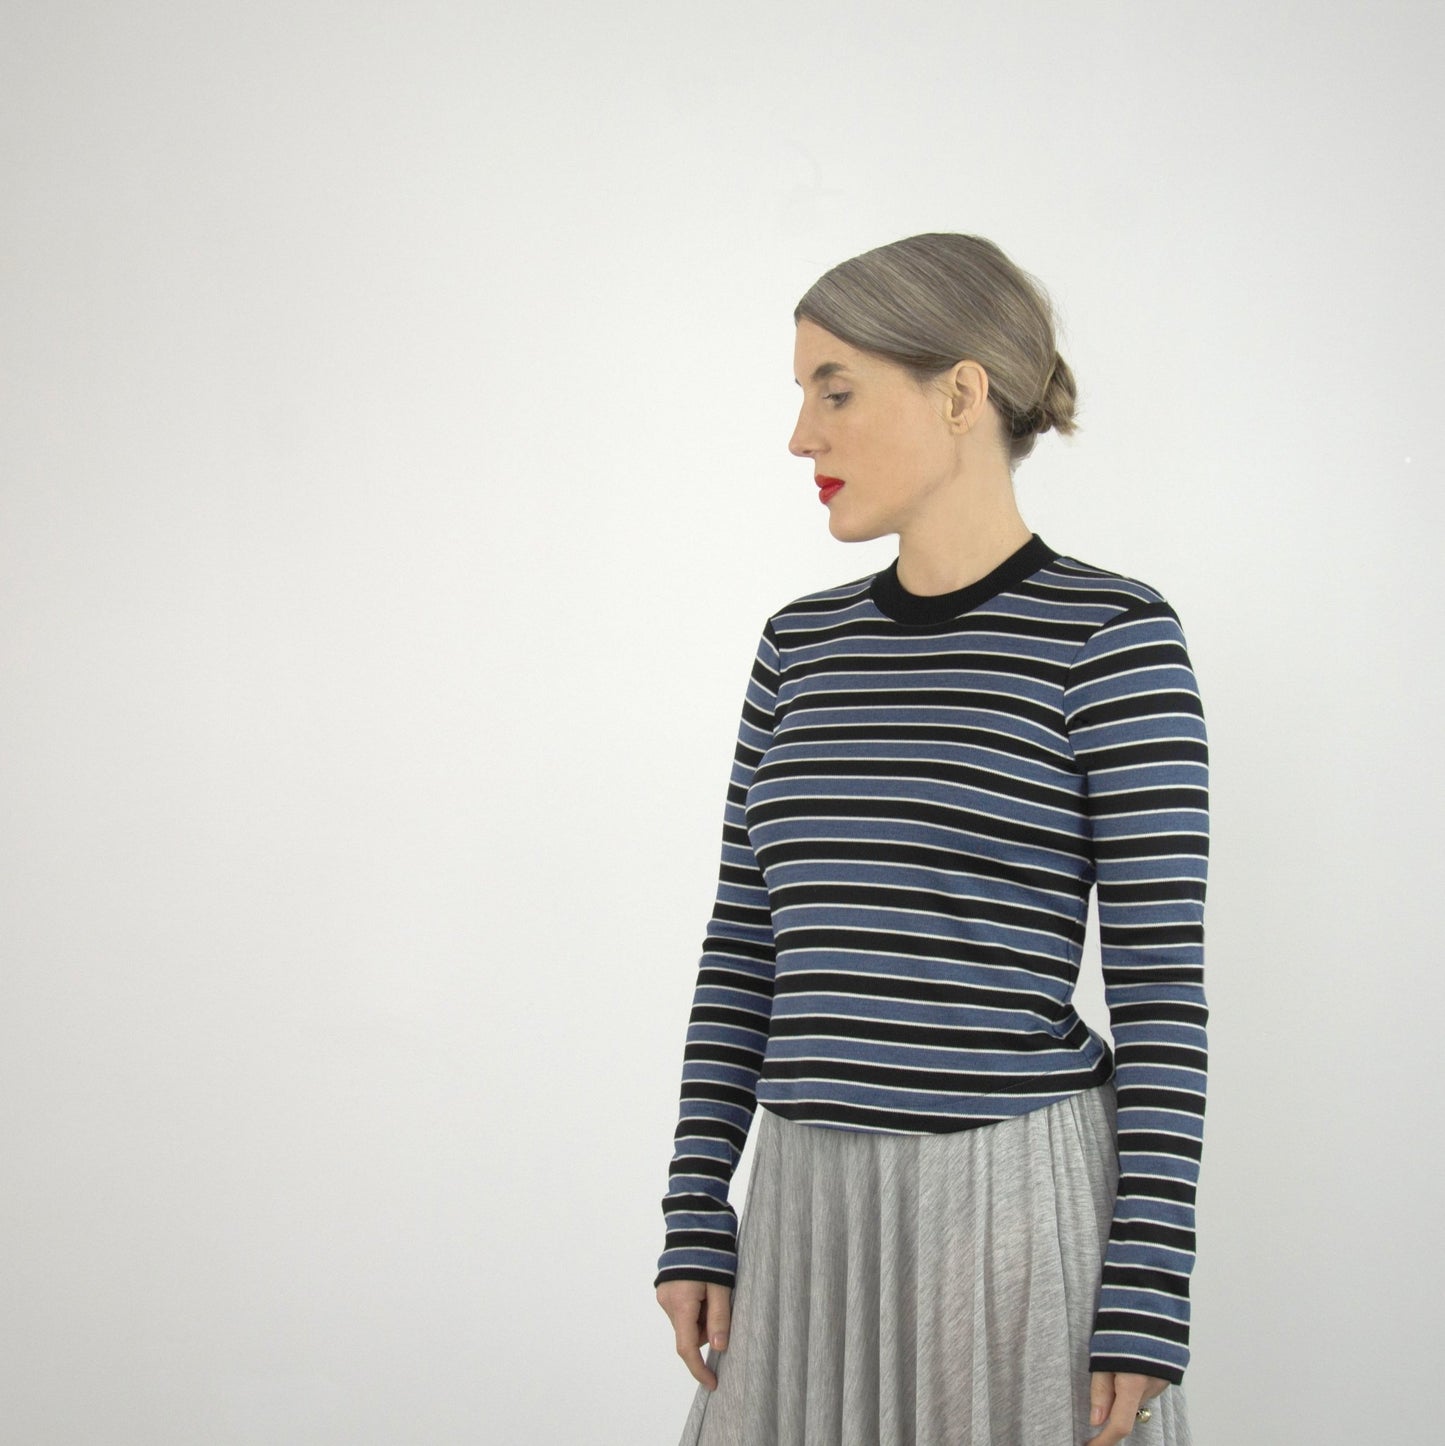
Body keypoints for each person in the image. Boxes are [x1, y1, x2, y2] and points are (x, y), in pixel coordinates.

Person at [653, 232, 1209, 1446]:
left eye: (834, 392)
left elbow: (1160, 988)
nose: (799, 437)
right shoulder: (797, 647)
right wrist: (696, 1206)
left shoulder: (1109, 637)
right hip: (801, 1211)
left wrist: (1146, 1284)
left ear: (960, 393)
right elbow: (743, 944)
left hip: (1008, 1214)